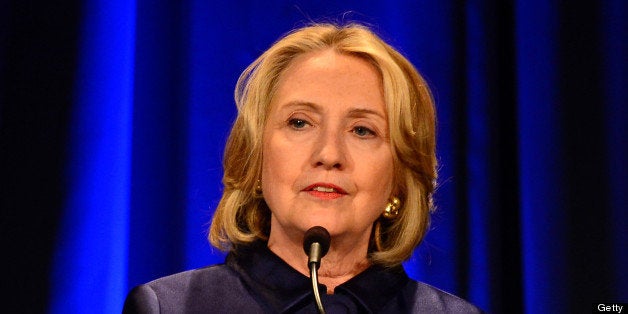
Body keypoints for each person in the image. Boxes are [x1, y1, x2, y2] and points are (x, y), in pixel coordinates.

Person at [123, 22, 483, 313]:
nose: (328, 153)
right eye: (300, 123)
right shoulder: (170, 307)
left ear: (399, 178)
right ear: (256, 155)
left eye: (362, 130)